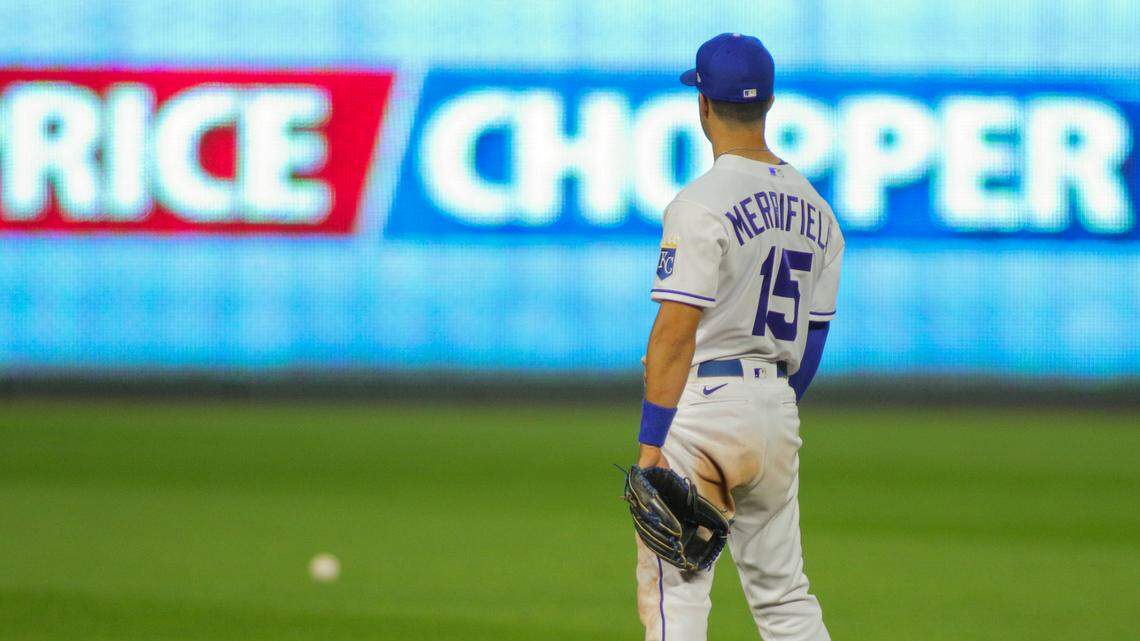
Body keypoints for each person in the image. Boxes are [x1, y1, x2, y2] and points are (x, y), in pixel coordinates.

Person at [634, 32, 844, 641]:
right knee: (784, 598)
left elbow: (674, 334)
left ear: (702, 106)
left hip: (701, 410)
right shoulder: (818, 209)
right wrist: (771, 409)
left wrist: (651, 449)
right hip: (777, 407)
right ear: (769, 104)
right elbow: (813, 343)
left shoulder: (700, 203)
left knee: (677, 591)